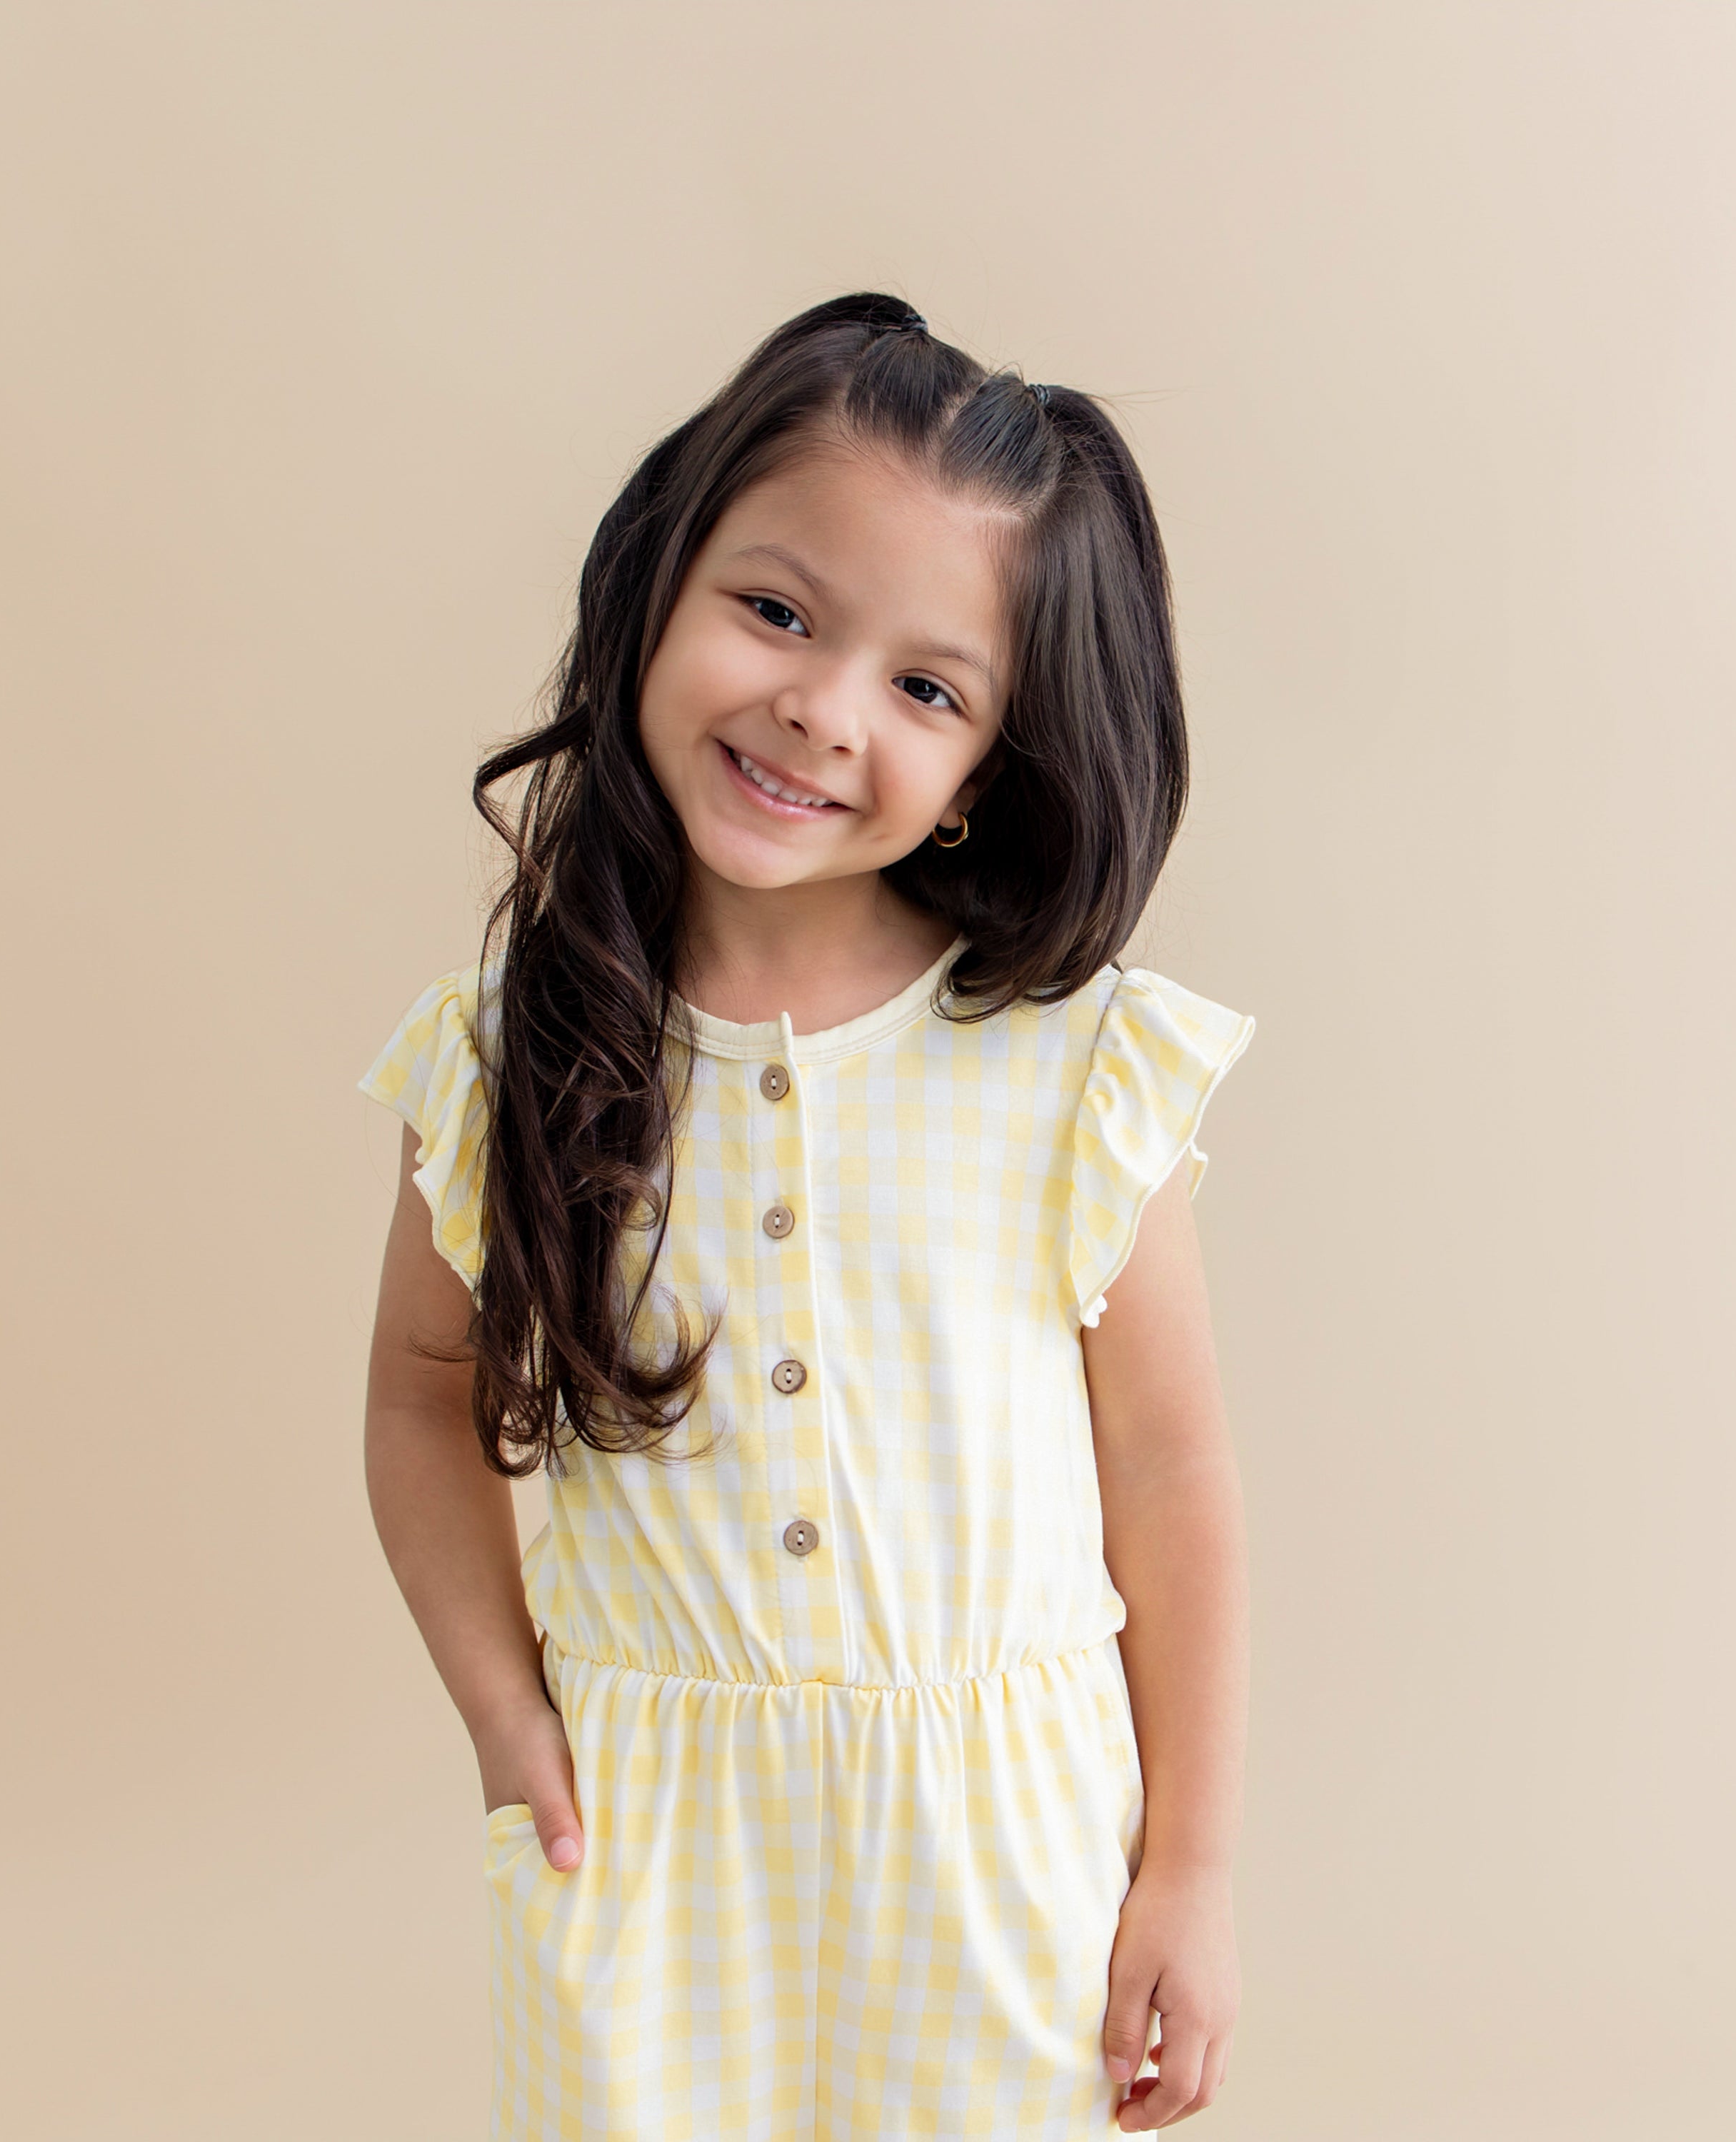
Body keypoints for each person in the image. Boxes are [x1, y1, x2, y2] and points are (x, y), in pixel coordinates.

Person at [356, 291, 1255, 2141]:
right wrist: (503, 1716)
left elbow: (1169, 1477)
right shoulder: (512, 1047)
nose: (819, 709)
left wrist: (1191, 1869)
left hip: (1001, 1861)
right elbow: (415, 1397)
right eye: (775, 609)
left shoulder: (1070, 1069)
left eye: (927, 688)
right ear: (662, 582)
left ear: (989, 767)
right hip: (649, 1857)